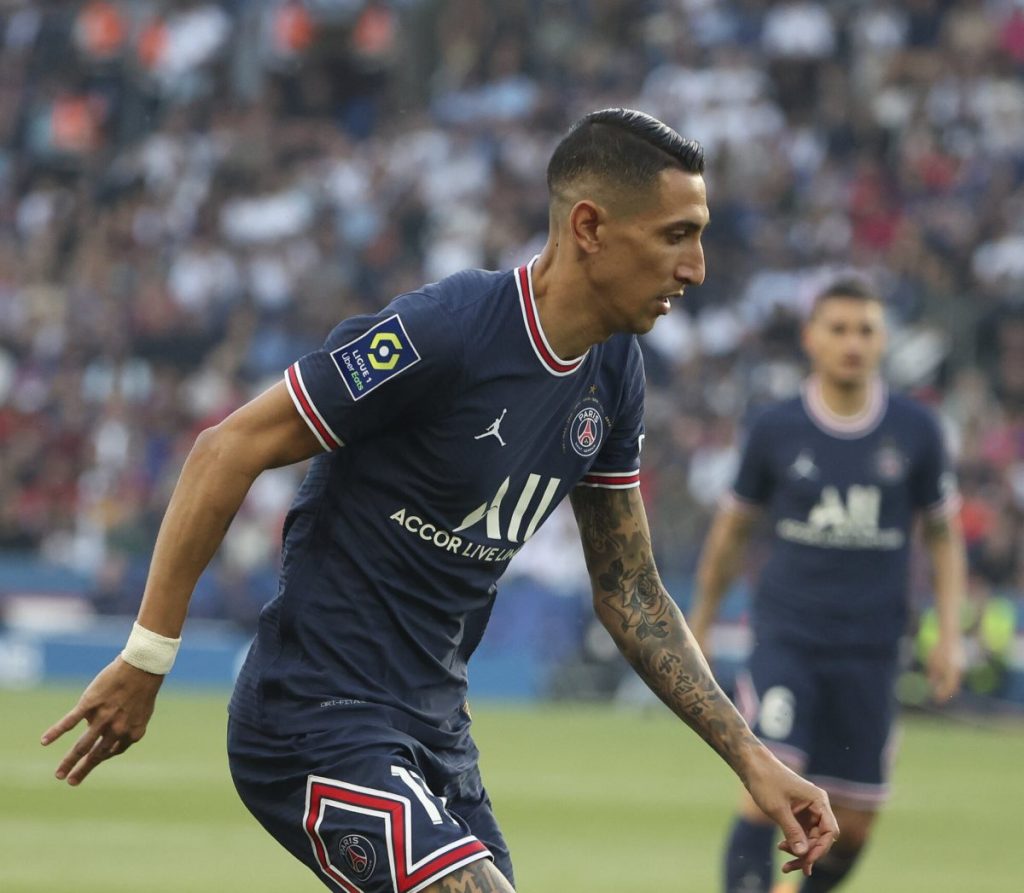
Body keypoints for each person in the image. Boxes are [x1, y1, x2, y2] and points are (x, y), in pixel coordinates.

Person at [41, 109, 838, 893]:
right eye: (676, 235)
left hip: (436, 734)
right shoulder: (445, 333)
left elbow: (629, 587)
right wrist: (147, 655)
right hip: (316, 715)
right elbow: (226, 448)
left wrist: (753, 759)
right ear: (589, 227)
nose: (696, 268)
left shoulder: (614, 369)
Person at [689, 278, 966, 893]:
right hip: (788, 638)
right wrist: (700, 622)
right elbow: (733, 533)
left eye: (865, 330)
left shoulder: (917, 430)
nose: (852, 343)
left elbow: (944, 537)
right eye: (838, 329)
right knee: (767, 791)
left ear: (883, 340)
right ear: (811, 338)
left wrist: (948, 634)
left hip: (872, 649)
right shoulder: (776, 428)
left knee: (856, 822)